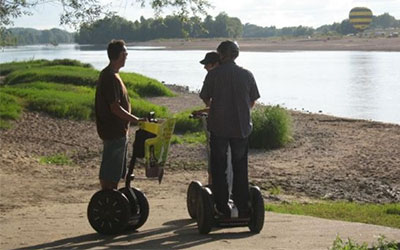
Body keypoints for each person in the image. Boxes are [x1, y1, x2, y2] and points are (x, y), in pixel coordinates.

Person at [199, 40, 260, 218]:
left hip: (219, 126)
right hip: (241, 127)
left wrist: (215, 107)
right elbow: (252, 100)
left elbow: (205, 97)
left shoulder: (214, 74)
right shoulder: (247, 74)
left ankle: (222, 205)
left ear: (222, 55)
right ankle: (242, 206)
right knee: (240, 167)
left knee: (219, 167)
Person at [95, 39, 145, 190]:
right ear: (120, 54)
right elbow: (114, 108)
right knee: (111, 171)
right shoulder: (109, 77)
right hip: (113, 131)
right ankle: (108, 197)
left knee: (117, 171)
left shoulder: (114, 75)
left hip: (119, 131)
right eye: (125, 52)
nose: (127, 55)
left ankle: (113, 195)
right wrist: (136, 120)